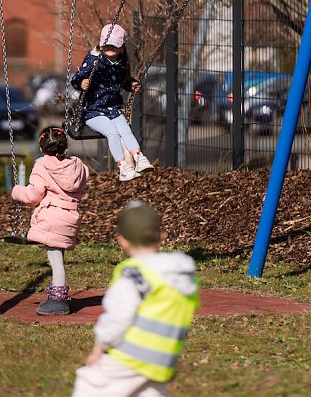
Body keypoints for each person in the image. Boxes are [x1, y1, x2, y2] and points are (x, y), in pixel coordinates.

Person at [72, 201, 199, 397]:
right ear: (161, 237)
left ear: (122, 240)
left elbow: (119, 316)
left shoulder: (135, 275)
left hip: (128, 358)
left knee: (89, 387)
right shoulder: (183, 274)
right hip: (162, 360)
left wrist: (100, 346)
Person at [11, 125, 89, 316]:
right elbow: (84, 177)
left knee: (55, 261)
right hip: (70, 217)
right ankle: (56, 295)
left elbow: (34, 195)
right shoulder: (77, 165)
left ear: (41, 148)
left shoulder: (42, 165)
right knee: (58, 255)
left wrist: (17, 191)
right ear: (65, 146)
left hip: (52, 217)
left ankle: (58, 301)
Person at [71, 23, 154, 182]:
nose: (110, 47)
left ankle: (139, 158)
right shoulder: (94, 60)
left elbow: (123, 81)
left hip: (113, 109)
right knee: (112, 132)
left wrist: (131, 84)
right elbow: (77, 79)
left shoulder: (120, 65)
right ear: (102, 45)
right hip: (93, 111)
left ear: (121, 48)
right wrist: (82, 84)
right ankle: (123, 167)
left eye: (114, 45)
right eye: (107, 44)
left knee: (126, 130)